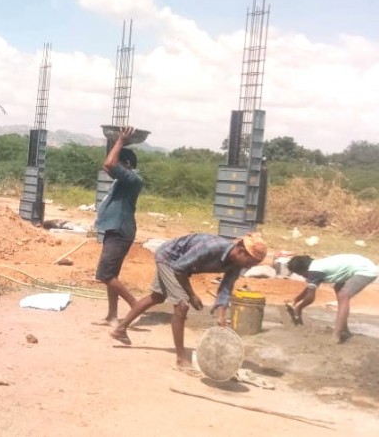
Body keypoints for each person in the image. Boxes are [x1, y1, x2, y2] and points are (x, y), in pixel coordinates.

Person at [110, 232, 268, 369]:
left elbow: (225, 289)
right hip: (168, 258)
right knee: (182, 305)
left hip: (179, 265)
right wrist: (192, 295)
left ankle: (120, 329)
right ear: (241, 251)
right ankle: (181, 358)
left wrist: (221, 317)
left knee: (157, 297)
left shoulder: (236, 264)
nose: (249, 267)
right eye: (250, 262)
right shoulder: (212, 247)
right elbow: (179, 269)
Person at [92, 126, 142, 327]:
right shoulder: (123, 181)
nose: (114, 167)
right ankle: (112, 316)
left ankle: (136, 305)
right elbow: (108, 166)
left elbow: (108, 164)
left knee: (104, 275)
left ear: (127, 164)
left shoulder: (133, 179)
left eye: (120, 162)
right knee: (111, 276)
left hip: (121, 232)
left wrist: (120, 141)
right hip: (116, 230)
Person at [286, 254, 378, 343]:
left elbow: (310, 297)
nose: (302, 276)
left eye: (300, 274)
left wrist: (299, 308)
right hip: (356, 267)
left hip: (365, 270)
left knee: (343, 295)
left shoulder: (315, 271)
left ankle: (336, 336)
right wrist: (296, 299)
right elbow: (310, 288)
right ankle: (344, 330)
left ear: (303, 269)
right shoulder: (314, 266)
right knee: (338, 288)